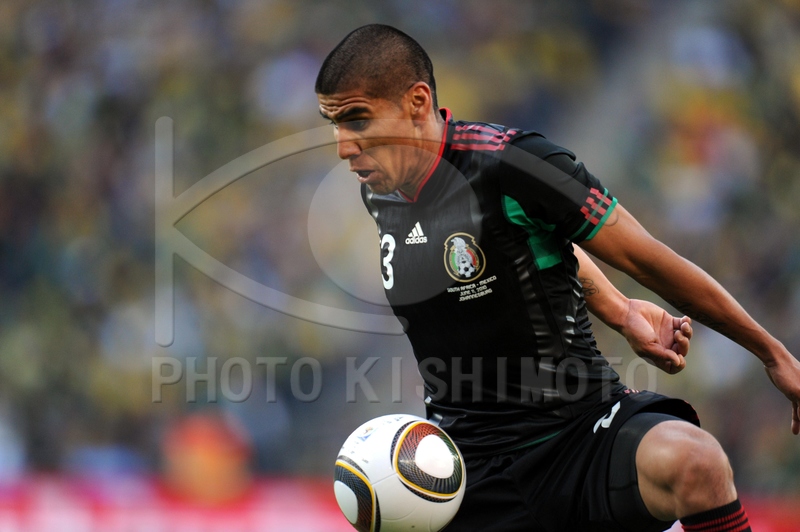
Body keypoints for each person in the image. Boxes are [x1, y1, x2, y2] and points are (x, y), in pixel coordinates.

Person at [315, 24, 800, 532]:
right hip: (467, 464)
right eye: (334, 124)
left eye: (357, 119)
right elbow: (527, 235)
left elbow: (646, 258)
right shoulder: (380, 190)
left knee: (696, 463)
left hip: (579, 433)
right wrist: (619, 309)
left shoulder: (513, 163)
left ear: (417, 102)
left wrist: (771, 352)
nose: (344, 147)